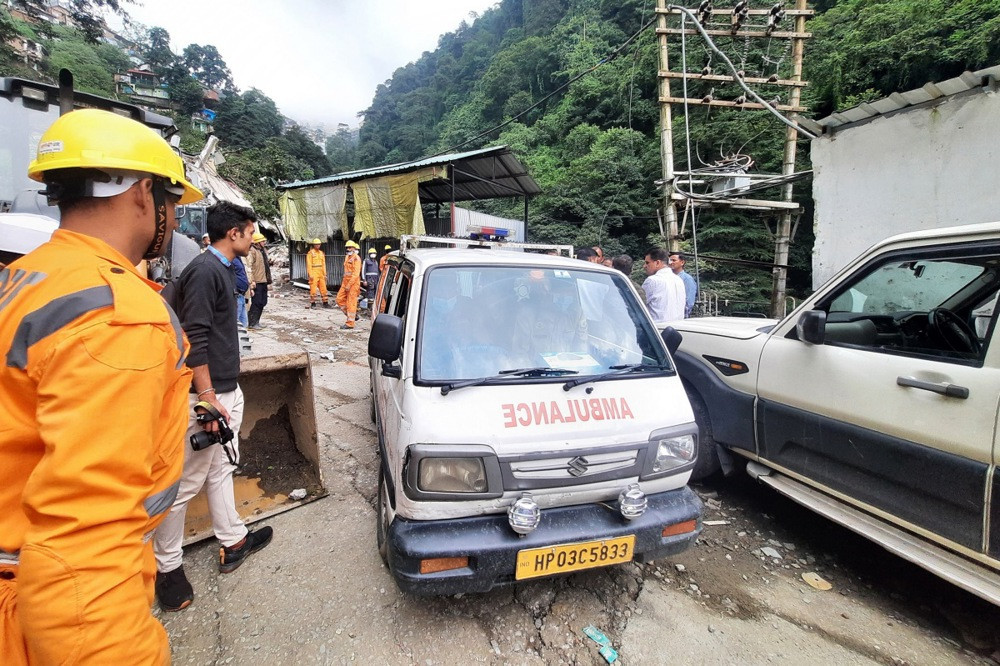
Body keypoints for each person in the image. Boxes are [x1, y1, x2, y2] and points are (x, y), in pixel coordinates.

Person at [0, 108, 201, 663]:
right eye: (173, 204)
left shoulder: (27, 276)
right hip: (42, 604)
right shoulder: (116, 315)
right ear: (142, 194)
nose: (176, 221)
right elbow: (83, 539)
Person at [153, 200, 273, 613]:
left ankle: (232, 539)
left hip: (223, 388)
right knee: (184, 482)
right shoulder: (205, 271)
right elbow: (194, 337)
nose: (254, 239)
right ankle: (166, 568)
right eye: (250, 232)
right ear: (233, 233)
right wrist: (206, 398)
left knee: (221, 468)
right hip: (206, 395)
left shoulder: (222, 268)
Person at [643, 248, 686, 321]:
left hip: (658, 329)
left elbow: (637, 304)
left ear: (657, 263)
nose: (644, 266)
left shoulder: (652, 280)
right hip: (678, 328)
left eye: (647, 263)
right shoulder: (678, 280)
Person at [246, 231, 271, 329]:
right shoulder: (252, 251)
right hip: (257, 281)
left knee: (263, 302)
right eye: (262, 241)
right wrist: (252, 281)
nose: (264, 242)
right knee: (257, 302)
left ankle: (257, 321)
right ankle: (252, 323)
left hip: (263, 280)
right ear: (257, 242)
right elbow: (250, 267)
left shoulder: (262, 251)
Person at [337, 239, 362, 329]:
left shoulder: (356, 259)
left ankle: (350, 323)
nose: (348, 249)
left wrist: (349, 285)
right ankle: (353, 315)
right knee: (339, 299)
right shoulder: (347, 257)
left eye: (350, 247)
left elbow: (355, 274)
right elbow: (346, 272)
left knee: (351, 302)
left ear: (354, 248)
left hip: (353, 284)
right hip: (345, 282)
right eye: (347, 247)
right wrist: (345, 284)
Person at [669, 252, 698, 317]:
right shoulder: (667, 278)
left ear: (682, 262)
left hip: (680, 316)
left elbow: (689, 301)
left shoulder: (687, 279)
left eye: (674, 260)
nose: (671, 263)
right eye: (670, 260)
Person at [306, 238, 329, 308]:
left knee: (323, 288)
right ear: (314, 245)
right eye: (316, 244)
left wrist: (325, 274)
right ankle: (313, 303)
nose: (318, 246)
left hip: (321, 273)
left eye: (319, 244)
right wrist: (310, 274)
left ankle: (325, 302)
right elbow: (309, 264)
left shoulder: (321, 253)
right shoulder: (310, 253)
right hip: (314, 272)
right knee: (313, 288)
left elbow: (324, 264)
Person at [361, 247, 379, 317]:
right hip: (369, 279)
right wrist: (364, 280)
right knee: (370, 294)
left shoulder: (376, 262)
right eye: (372, 253)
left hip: (376, 279)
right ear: (369, 254)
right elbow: (363, 270)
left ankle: (374, 309)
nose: (373, 254)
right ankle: (370, 310)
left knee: (375, 293)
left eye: (374, 253)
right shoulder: (366, 261)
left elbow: (377, 272)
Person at [233, 254, 250, 327]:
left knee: (243, 325)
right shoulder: (230, 259)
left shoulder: (238, 258)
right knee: (236, 325)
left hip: (242, 295)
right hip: (236, 295)